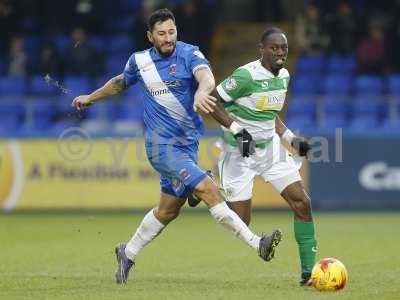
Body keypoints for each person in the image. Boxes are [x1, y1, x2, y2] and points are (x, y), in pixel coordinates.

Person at [71, 8, 282, 285]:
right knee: (208, 189)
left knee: (168, 210)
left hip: (187, 145)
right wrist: (92, 97)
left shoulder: (188, 53)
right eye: (161, 33)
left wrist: (202, 90)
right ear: (150, 36)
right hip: (161, 147)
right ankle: (258, 244)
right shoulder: (140, 61)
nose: (168, 38)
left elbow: (206, 75)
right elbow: (120, 82)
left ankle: (128, 252)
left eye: (172, 32)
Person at [189, 27, 317, 286]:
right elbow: (212, 101)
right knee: (241, 221)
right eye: (274, 48)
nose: (280, 52)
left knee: (302, 202)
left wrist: (291, 140)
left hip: (270, 150)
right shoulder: (245, 75)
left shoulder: (284, 76)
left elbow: (271, 116)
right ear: (262, 50)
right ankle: (203, 184)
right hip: (239, 152)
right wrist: (237, 131)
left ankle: (308, 274)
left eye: (284, 48)